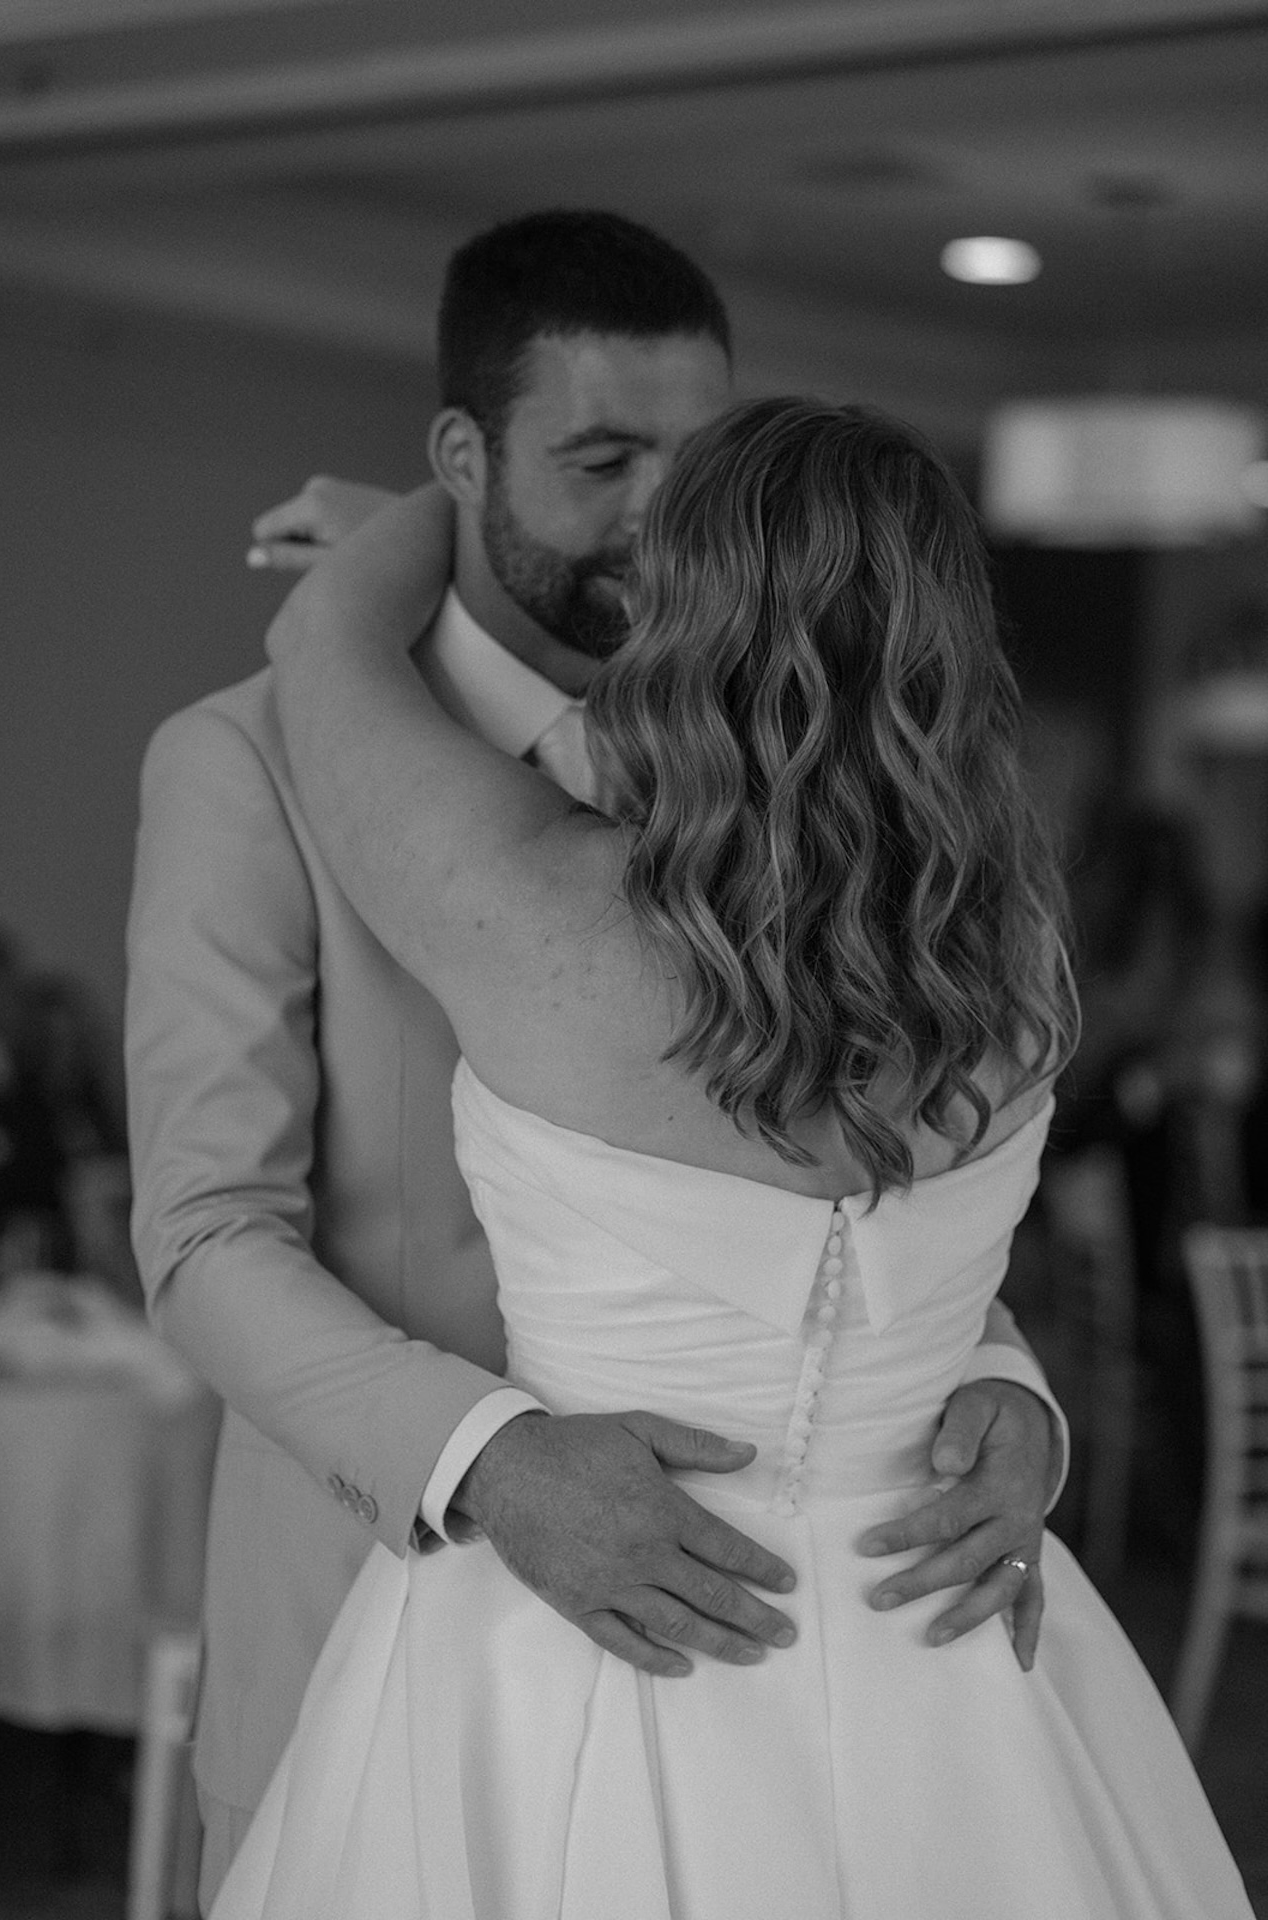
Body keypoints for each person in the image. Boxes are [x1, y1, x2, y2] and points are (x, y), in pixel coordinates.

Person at [126, 212, 1065, 1913]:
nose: (656, 514)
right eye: (601, 457)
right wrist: (487, 1456)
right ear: (462, 460)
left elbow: (844, 1204)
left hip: (808, 1662)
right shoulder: (245, 763)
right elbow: (201, 1241)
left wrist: (999, 1383)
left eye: (692, 465)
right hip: (393, 1627)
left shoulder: (782, 773)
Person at [212, 399, 1253, 1919]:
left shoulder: (515, 900)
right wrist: (1017, 1395)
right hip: (946, 1648)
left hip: (581, 1650)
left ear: (669, 612)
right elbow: (906, 1289)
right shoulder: (1020, 957)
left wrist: (422, 513)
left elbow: (324, 653)